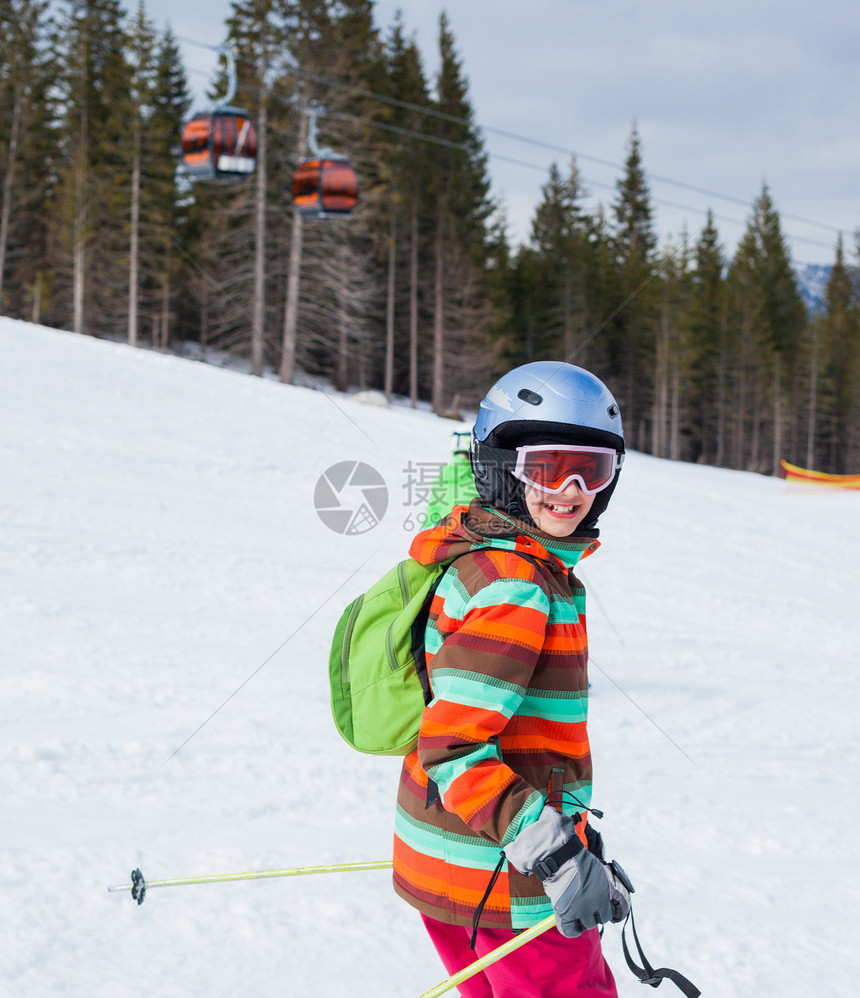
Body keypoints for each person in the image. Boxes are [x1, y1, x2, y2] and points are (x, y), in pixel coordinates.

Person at [392, 361, 630, 998]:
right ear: (501, 465)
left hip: (455, 865)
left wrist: (572, 833)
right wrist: (555, 852)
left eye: (593, 469)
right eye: (547, 468)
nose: (571, 488)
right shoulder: (517, 587)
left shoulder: (486, 556)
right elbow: (454, 746)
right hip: (508, 880)